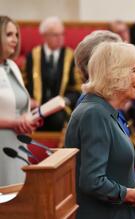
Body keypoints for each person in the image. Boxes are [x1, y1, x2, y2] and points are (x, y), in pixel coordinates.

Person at [64, 42, 135, 219]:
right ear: (114, 74)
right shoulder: (95, 114)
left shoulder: (104, 111)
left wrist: (133, 187)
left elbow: (108, 172)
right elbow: (92, 181)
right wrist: (132, 195)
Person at [0, 16, 41, 186]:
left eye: (16, 35)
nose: (15, 40)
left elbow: (19, 103)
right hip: (2, 140)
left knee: (17, 197)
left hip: (17, 141)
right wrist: (14, 122)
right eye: (9, 34)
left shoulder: (12, 66)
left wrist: (30, 118)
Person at [24, 16, 82, 131]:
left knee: (58, 119)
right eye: (56, 35)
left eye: (62, 34)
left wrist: (64, 100)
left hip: (60, 110)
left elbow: (77, 88)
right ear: (45, 36)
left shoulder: (71, 57)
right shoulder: (33, 56)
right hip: (36, 108)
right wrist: (28, 100)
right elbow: (23, 83)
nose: (60, 38)